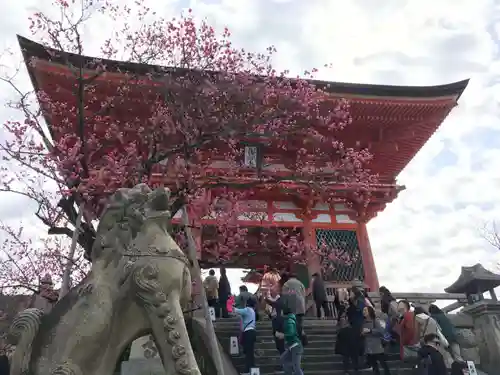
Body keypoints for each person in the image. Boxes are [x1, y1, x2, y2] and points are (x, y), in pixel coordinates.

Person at [362, 305, 391, 375]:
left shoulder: (375, 321)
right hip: (369, 348)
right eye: (363, 310)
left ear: (370, 311)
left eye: (365, 310)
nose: (364, 312)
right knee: (374, 366)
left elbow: (381, 331)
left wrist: (370, 330)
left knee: (383, 364)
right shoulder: (363, 322)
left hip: (377, 347)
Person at [234, 298, 257, 374]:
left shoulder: (247, 310)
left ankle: (248, 370)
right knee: (250, 352)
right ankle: (252, 369)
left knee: (248, 353)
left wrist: (231, 305)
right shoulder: (253, 311)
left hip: (248, 332)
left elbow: (236, 311)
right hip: (252, 332)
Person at [280, 303, 304, 375]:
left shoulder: (289, 321)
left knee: (296, 367)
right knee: (284, 359)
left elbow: (291, 333)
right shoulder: (289, 319)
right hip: (292, 346)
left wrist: (283, 335)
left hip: (296, 346)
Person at [280, 272, 306, 337]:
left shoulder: (286, 284)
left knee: (291, 322)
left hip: (291, 305)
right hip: (300, 305)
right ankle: (300, 336)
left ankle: (293, 336)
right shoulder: (300, 283)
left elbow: (284, 295)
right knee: (299, 322)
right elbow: (304, 294)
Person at [265, 288, 285, 354]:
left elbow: (274, 314)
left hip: (279, 327)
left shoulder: (278, 302)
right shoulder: (282, 301)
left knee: (281, 347)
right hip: (283, 326)